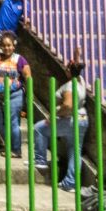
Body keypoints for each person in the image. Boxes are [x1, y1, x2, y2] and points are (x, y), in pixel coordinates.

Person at [33, 48, 89, 190]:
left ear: (68, 71)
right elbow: (77, 68)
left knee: (39, 128)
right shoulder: (80, 81)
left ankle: (40, 160)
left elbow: (68, 105)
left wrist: (55, 114)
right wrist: (77, 55)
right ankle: (70, 183)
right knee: (75, 150)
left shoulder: (69, 86)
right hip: (83, 119)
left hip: (70, 119)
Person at [0, 31, 32, 157]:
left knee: (13, 122)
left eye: (9, 45)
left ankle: (16, 150)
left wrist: (28, 96)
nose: (7, 48)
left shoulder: (19, 59)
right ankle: (10, 144)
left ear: (14, 46)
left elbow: (28, 76)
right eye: (4, 45)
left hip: (14, 94)